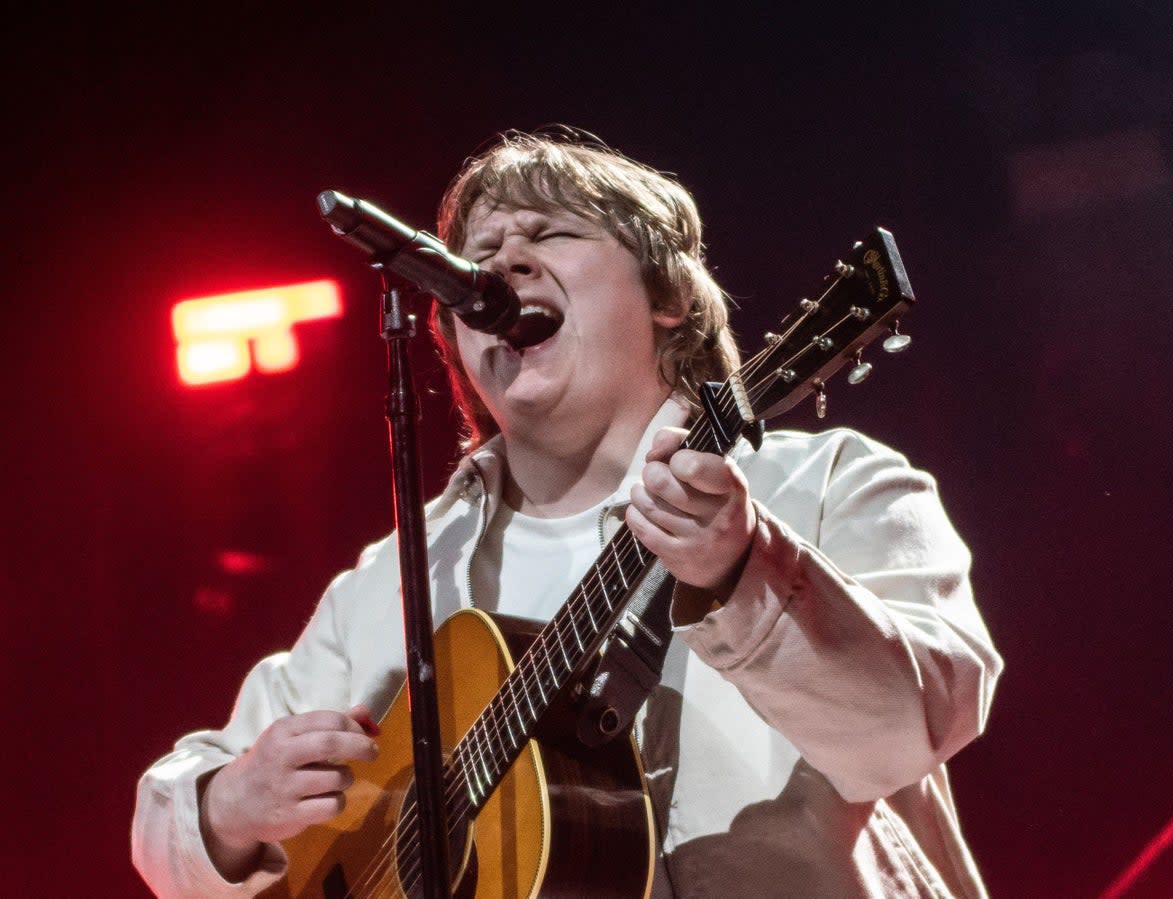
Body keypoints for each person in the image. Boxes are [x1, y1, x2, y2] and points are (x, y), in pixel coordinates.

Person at [133, 129, 1003, 897]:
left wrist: (747, 569)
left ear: (667, 297)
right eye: (478, 256)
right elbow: (168, 823)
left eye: (549, 234)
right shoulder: (395, 580)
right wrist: (230, 805)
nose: (502, 265)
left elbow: (914, 727)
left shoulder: (824, 484)